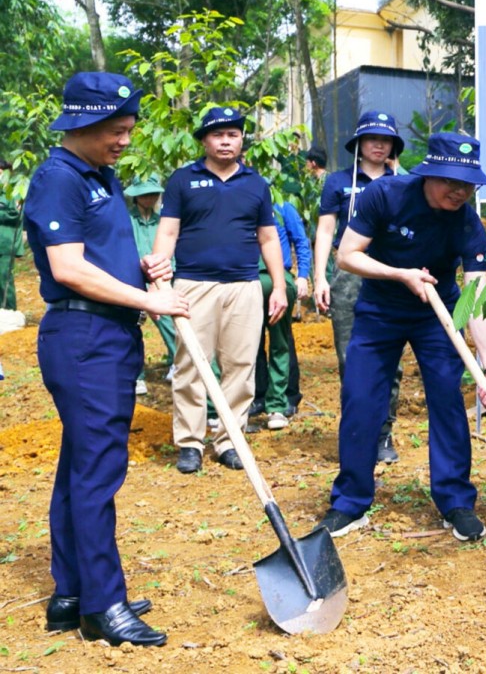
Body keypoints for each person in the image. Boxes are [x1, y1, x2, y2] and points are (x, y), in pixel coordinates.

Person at [24, 71, 187, 646]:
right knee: (98, 473)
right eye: (115, 130)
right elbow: (67, 268)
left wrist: (143, 269)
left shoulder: (102, 177)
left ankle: (71, 594)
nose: (124, 140)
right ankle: (103, 603)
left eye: (129, 129)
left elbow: (101, 256)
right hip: (82, 339)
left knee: (80, 468)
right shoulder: (58, 179)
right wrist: (150, 300)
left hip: (110, 335)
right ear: (84, 124)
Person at [316, 132, 486, 542]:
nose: (460, 191)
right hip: (381, 309)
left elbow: (475, 300)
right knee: (361, 397)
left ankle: (455, 501)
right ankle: (349, 502)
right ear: (428, 174)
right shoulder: (386, 194)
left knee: (446, 397)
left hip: (437, 313)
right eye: (451, 181)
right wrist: (400, 274)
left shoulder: (468, 223)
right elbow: (347, 255)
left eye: (468, 184)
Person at [153, 106, 287, 474]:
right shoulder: (183, 179)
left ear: (242, 139)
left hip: (244, 285)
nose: (226, 140)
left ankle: (229, 440)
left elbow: (268, 238)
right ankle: (190, 443)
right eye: (217, 134)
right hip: (193, 284)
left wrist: (278, 286)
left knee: (241, 367)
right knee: (190, 364)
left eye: (233, 134)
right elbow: (167, 232)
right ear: (204, 141)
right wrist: (159, 282)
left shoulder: (256, 184)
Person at [312, 111, 405, 463]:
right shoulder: (337, 182)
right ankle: (357, 433)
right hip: (349, 274)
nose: (379, 145)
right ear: (360, 145)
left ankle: (384, 434)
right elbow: (325, 231)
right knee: (351, 359)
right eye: (372, 139)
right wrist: (320, 276)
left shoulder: (404, 182)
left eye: (386, 139)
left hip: (391, 273)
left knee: (390, 361)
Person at [252, 199, 312, 429]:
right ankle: (259, 396)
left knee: (281, 340)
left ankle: (285, 398)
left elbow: (301, 241)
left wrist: (302, 275)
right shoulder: (238, 199)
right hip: (247, 278)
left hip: (279, 277)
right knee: (250, 342)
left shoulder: (282, 205)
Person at [125, 178, 178, 395]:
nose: (150, 198)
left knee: (169, 323)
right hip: (131, 279)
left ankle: (178, 363)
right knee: (131, 327)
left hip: (161, 280)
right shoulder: (127, 220)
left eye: (153, 194)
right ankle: (136, 376)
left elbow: (170, 251)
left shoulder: (161, 222)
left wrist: (161, 281)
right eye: (145, 194)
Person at [0, 159, 23, 310]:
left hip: (5, 243)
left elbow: (15, 214)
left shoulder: (12, 193)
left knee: (4, 279)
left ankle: (9, 311)